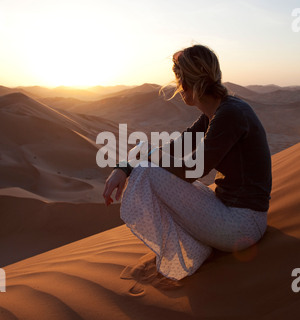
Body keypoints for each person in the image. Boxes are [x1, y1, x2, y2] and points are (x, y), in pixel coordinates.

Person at [102, 45, 272, 280]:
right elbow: (177, 147)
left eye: (179, 78)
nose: (177, 86)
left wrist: (139, 160)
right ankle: (195, 246)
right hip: (231, 214)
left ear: (191, 82)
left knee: (147, 171)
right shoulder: (217, 112)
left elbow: (194, 169)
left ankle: (189, 251)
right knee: (146, 162)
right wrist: (126, 165)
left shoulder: (230, 114)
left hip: (242, 226)